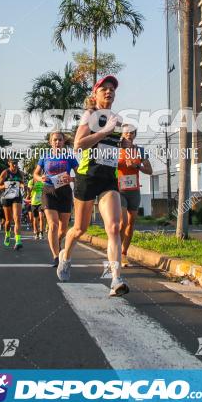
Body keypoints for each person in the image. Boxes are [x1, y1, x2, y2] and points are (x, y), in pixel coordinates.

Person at [57, 75, 128, 297]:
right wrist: (106, 131)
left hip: (108, 178)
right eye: (104, 89)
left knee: (114, 227)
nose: (109, 92)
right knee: (80, 229)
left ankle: (116, 279)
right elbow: (78, 144)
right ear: (95, 95)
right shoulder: (90, 115)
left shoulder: (116, 118)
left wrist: (125, 143)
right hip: (87, 177)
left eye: (112, 90)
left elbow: (115, 145)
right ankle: (65, 256)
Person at [34, 131, 79, 267]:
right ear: (50, 142)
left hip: (64, 192)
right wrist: (40, 178)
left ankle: (57, 243)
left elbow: (80, 175)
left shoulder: (69, 157)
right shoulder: (45, 156)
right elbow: (35, 174)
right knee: (53, 225)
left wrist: (71, 179)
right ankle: (55, 257)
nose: (57, 142)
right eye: (55, 140)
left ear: (63, 142)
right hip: (48, 191)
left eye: (60, 140)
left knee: (63, 229)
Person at [117, 125, 152, 267]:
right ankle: (115, 251)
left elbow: (149, 170)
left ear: (135, 135)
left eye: (131, 133)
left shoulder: (139, 151)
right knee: (122, 222)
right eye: (126, 133)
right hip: (119, 190)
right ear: (122, 135)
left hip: (134, 190)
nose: (129, 135)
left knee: (131, 223)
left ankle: (123, 253)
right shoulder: (116, 151)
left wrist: (137, 166)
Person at [0, 160, 25, 250]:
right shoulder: (5, 173)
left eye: (16, 163)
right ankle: (7, 234)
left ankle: (18, 241)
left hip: (16, 196)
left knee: (17, 218)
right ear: (9, 163)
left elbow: (22, 183)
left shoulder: (20, 173)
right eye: (13, 163)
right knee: (8, 221)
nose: (15, 164)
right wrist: (7, 185)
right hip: (7, 196)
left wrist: (23, 186)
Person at [27, 175, 45, 239]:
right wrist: (34, 185)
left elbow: (44, 191)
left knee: (42, 217)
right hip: (33, 202)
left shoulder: (42, 182)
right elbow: (29, 191)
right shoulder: (31, 182)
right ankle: (36, 233)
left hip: (41, 202)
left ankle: (41, 233)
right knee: (35, 219)